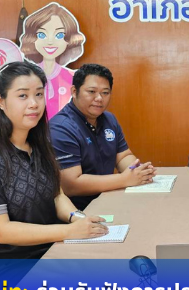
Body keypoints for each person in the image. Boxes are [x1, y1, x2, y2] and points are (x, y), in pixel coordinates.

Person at [0, 61, 108, 261]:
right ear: (1, 101)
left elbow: (57, 195)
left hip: (50, 251)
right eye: (22, 96)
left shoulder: (39, 144)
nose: (34, 103)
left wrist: (78, 218)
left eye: (38, 94)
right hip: (7, 268)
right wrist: (69, 231)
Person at [50, 64, 156, 210]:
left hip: (108, 200)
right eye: (92, 92)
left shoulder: (109, 119)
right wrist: (124, 179)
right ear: (74, 91)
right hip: (77, 211)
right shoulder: (61, 127)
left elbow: (123, 156)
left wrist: (138, 171)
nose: (99, 98)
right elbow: (71, 185)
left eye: (105, 93)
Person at [19, 2, 86, 119]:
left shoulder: (73, 78)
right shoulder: (25, 77)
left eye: (59, 35)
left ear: (69, 39)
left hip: (64, 129)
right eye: (42, 35)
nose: (50, 42)